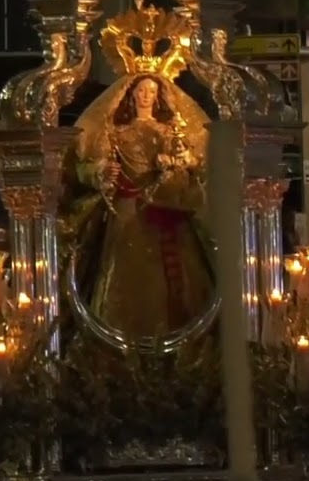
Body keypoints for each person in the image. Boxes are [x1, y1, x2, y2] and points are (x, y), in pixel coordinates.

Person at [64, 73, 213, 339]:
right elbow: (88, 166)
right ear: (131, 94)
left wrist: (176, 162)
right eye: (142, 90)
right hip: (127, 207)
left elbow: (192, 163)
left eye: (151, 91)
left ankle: (174, 336)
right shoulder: (116, 132)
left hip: (164, 205)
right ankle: (123, 333)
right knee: (126, 269)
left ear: (158, 97)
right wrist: (103, 172)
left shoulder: (169, 131)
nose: (146, 95)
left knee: (173, 271)